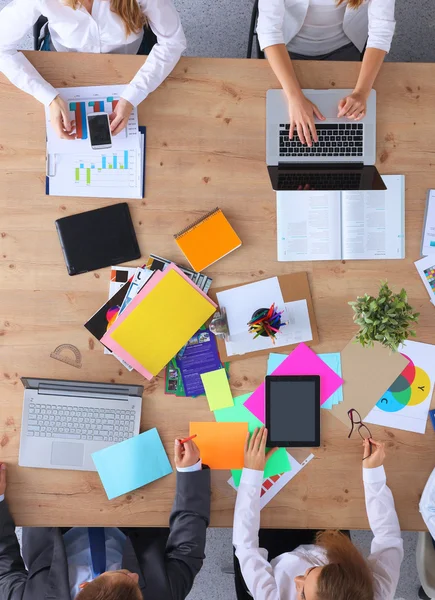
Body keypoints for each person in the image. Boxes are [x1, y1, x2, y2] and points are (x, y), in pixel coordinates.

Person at [0, 437, 210, 599]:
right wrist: (189, 472)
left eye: (127, 574)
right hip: (135, 509)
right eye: (135, 583)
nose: (137, 576)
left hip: (55, 516)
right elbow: (186, 551)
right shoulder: (162, 594)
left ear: (85, 585)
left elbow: (3, 564)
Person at [233, 427, 403, 600]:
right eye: (311, 572)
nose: (297, 579)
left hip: (278, 553)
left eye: (303, 594)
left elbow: (246, 546)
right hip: (330, 546)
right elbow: (388, 537)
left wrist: (252, 474)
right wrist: (373, 474)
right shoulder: (377, 592)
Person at [0, 0, 186, 138]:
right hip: (62, 65)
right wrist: (47, 97)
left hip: (130, 64)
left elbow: (173, 42)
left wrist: (135, 94)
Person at [257, 0, 396, 146]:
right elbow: (269, 31)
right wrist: (295, 98)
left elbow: (382, 30)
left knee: (346, 133)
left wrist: (361, 92)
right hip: (287, 48)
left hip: (344, 46)